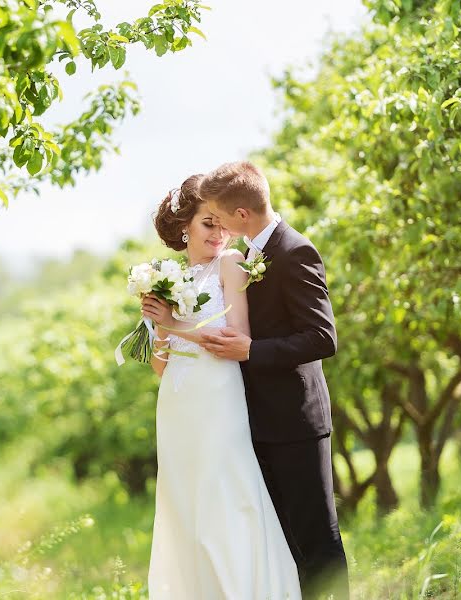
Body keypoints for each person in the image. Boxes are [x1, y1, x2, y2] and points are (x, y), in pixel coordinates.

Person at [142, 174, 301, 600]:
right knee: (183, 505)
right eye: (208, 224)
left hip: (219, 396)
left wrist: (176, 325)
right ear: (184, 228)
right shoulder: (167, 277)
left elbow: (237, 337)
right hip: (176, 402)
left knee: (224, 494)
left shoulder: (231, 265)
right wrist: (161, 326)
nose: (220, 233)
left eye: (222, 223)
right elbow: (160, 367)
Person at [198, 160, 349, 600]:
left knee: (317, 537)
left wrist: (251, 351)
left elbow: (323, 337)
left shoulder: (295, 250)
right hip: (260, 420)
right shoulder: (249, 253)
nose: (219, 227)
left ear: (241, 215)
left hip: (297, 422)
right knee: (285, 542)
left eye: (221, 217)